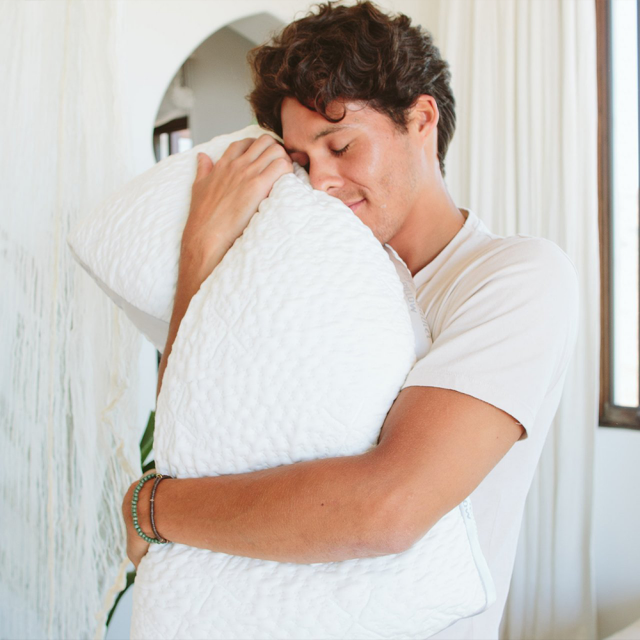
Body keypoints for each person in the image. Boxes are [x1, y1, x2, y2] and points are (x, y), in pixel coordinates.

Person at [122, 1, 579, 638]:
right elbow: (195, 426)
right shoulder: (301, 278)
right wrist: (201, 248)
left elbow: (388, 508)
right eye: (302, 162)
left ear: (421, 120)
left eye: (340, 146)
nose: (322, 183)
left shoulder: (514, 277)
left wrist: (152, 508)